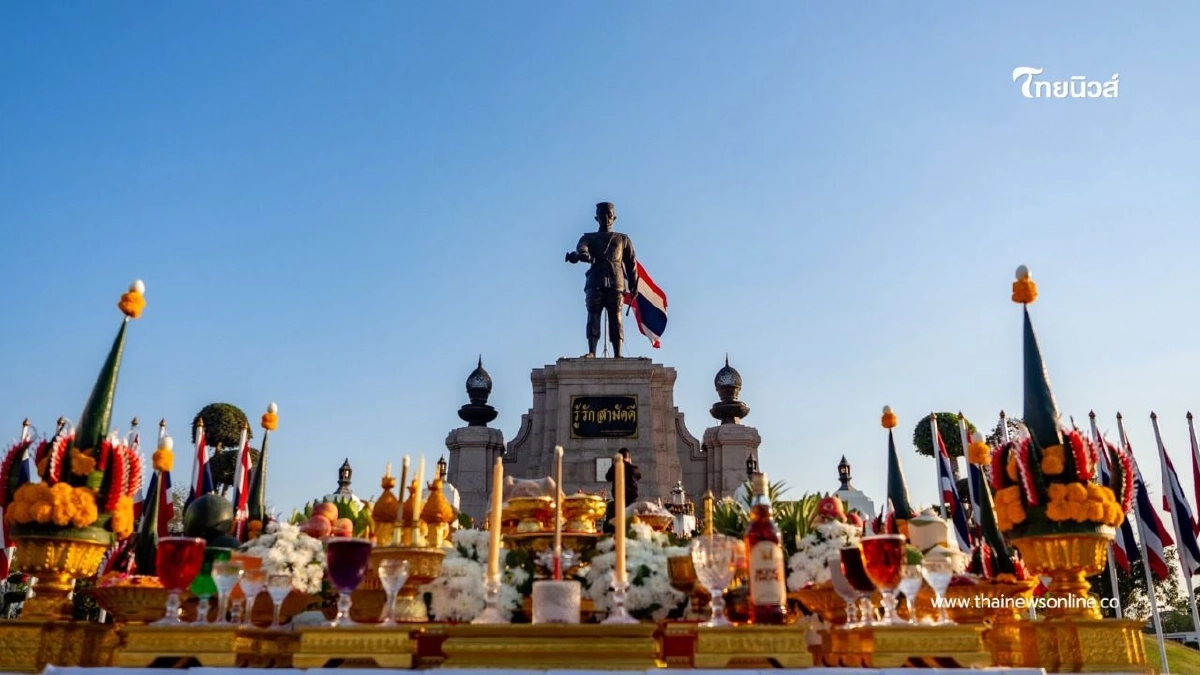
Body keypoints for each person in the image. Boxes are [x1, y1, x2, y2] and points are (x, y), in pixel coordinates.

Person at [565, 202, 638, 358]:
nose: (606, 218)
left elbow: (631, 262)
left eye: (609, 215)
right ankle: (592, 351)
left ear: (614, 217)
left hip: (616, 282)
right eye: (603, 214)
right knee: (593, 315)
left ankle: (618, 353)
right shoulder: (588, 237)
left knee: (616, 317)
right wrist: (583, 253)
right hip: (595, 281)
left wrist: (633, 284)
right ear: (596, 217)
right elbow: (582, 247)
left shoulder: (623, 239)